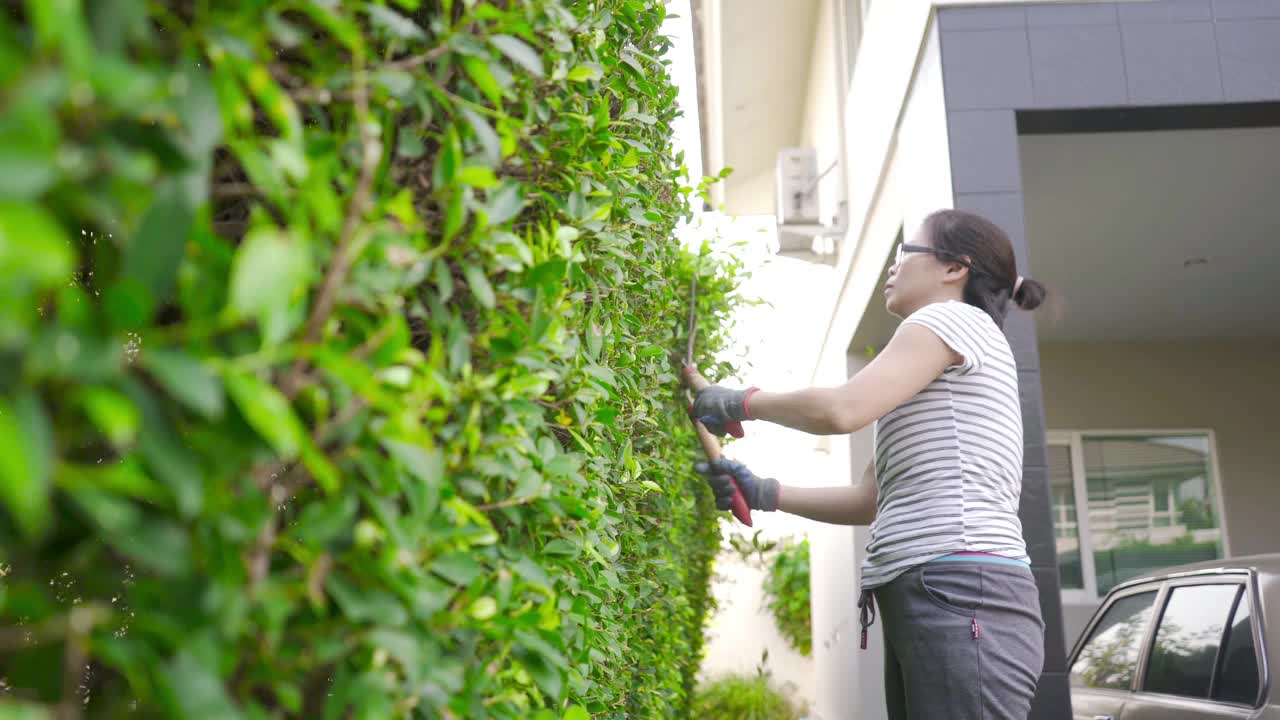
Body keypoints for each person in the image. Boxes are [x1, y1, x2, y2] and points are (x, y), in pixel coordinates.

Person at [691, 209, 1049, 720]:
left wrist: (741, 401)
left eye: (908, 252)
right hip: (946, 588)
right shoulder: (935, 364)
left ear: (955, 270)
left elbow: (841, 410)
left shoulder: (950, 319)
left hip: (963, 589)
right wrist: (767, 492)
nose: (892, 267)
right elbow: (872, 500)